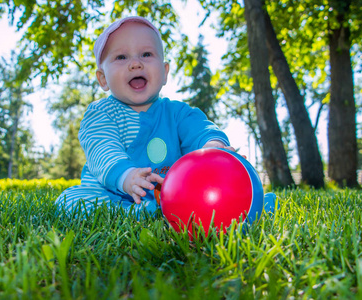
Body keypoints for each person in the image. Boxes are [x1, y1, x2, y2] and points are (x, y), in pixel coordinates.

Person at [55, 16, 237, 216]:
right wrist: (127, 176)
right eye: (121, 57)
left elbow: (200, 129)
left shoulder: (177, 113)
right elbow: (102, 149)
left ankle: (252, 202)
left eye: (147, 54)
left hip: (171, 194)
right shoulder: (101, 113)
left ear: (165, 71)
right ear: (103, 79)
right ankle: (132, 213)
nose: (135, 64)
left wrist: (213, 147)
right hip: (112, 194)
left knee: (215, 194)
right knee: (69, 201)